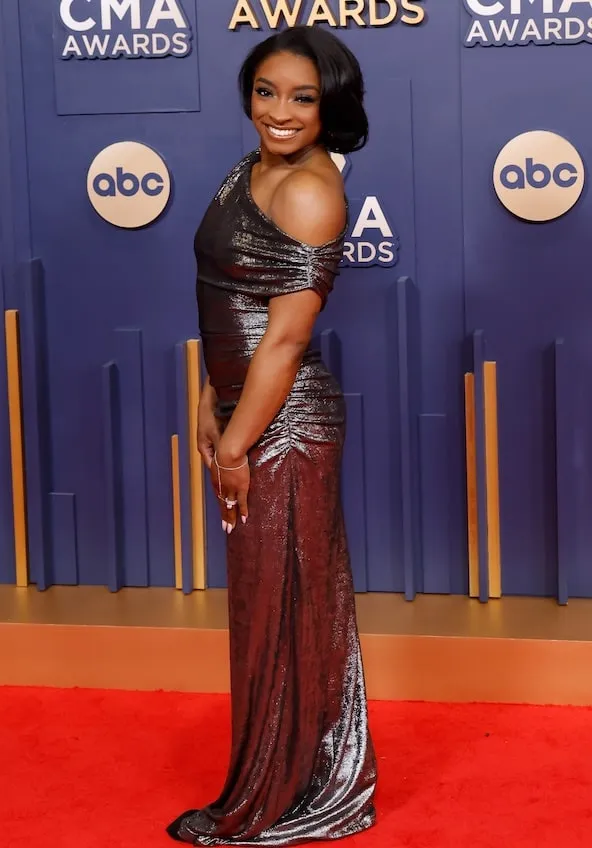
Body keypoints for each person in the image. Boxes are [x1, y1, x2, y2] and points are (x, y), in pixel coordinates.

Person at [166, 26, 377, 846]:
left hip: (283, 425)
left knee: (287, 608)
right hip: (243, 409)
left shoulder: (312, 192)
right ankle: (294, 773)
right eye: (266, 91)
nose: (279, 112)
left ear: (331, 106)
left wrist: (232, 445)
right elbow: (221, 295)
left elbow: (284, 341)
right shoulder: (252, 168)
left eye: (302, 98)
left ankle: (282, 798)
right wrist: (203, 395)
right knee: (269, 611)